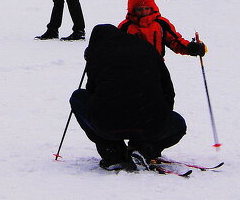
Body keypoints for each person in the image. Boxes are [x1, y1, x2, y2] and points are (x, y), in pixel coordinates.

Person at [68, 23, 190, 172]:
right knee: (178, 124)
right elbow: (168, 89)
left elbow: (93, 92)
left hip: (108, 125)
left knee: (77, 97)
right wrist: (159, 117)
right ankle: (144, 149)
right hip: (151, 123)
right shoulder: (145, 47)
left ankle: (113, 153)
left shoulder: (98, 54)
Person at [119, 0, 207, 59]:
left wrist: (190, 48)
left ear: (152, 7)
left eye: (147, 8)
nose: (143, 12)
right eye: (139, 9)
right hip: (133, 69)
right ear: (132, 9)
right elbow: (116, 48)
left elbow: (175, 41)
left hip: (157, 66)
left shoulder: (161, 24)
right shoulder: (126, 27)